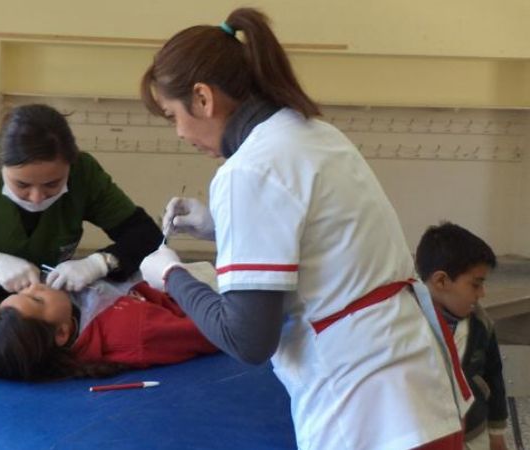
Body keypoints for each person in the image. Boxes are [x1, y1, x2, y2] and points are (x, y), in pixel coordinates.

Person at [138, 7, 471, 450]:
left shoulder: (247, 170)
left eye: (171, 115)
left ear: (202, 98)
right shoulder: (312, 132)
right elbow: (324, 236)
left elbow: (248, 338)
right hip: (413, 383)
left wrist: (172, 276)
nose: (179, 132)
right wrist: (219, 228)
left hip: (366, 405)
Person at [0, 104, 162, 343]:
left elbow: (146, 235)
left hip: (23, 336)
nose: (37, 197)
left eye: (52, 184)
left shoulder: (84, 175)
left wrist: (101, 262)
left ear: (71, 163)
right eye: (21, 184)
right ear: (0, 161)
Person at [0, 277, 218, 380]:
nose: (35, 285)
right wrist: (176, 274)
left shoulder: (72, 308)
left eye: (23, 290)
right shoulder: (135, 333)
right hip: (200, 297)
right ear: (62, 332)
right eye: (37, 299)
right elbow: (219, 330)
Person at [416, 222, 508, 450]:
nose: (482, 293)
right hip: (426, 436)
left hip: (473, 433)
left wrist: (496, 433)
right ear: (441, 281)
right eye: (476, 285)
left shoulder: (481, 324)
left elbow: (494, 377)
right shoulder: (407, 325)